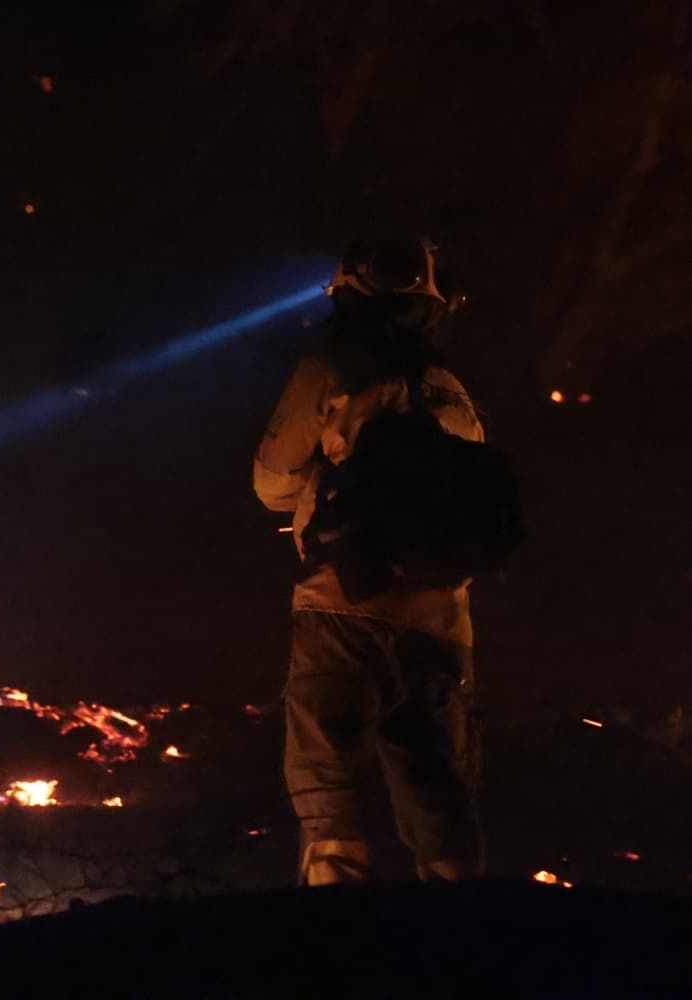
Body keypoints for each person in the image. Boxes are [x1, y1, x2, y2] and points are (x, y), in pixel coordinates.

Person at [253, 238, 484, 885]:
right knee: (434, 773)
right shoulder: (451, 388)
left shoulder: (330, 368)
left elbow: (271, 482)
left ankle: (335, 933)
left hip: (338, 602)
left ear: (346, 294)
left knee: (325, 776)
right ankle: (462, 940)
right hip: (439, 618)